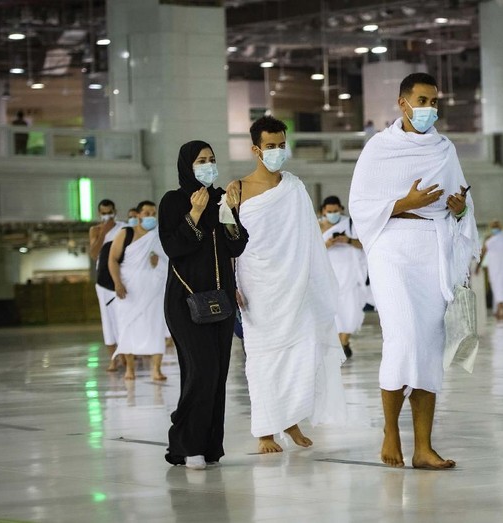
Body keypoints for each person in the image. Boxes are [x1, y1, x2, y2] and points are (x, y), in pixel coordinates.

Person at [349, 72, 479, 469]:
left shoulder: (444, 148)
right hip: (392, 247)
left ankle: (423, 448)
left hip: (433, 249)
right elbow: (361, 206)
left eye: (434, 102)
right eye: (422, 100)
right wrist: (405, 201)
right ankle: (391, 431)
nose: (429, 109)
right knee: (403, 340)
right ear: (402, 103)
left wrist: (459, 209)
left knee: (427, 348)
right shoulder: (379, 148)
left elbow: (462, 200)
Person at [228, 116, 347, 454]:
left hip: (295, 283)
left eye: (282, 145)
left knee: (301, 351)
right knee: (263, 357)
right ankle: (265, 431)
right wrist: (231, 284)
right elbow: (227, 242)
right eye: (271, 146)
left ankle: (291, 418)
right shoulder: (236, 191)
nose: (278, 151)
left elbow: (308, 239)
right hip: (257, 285)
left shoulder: (293, 187)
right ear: (255, 149)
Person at [159, 140, 248, 470]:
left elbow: (236, 247)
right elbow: (174, 247)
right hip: (184, 303)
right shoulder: (173, 201)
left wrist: (230, 214)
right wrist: (194, 214)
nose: (208, 165)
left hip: (220, 301)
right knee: (202, 370)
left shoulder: (221, 199)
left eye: (212, 160)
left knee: (217, 374)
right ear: (187, 165)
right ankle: (186, 442)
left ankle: (208, 446)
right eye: (201, 160)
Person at [108, 200, 168, 381]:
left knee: (155, 327)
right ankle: (130, 370)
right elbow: (112, 259)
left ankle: (156, 370)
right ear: (139, 214)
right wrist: (117, 283)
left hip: (153, 290)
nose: (150, 216)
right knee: (127, 327)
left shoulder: (159, 236)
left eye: (153, 213)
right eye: (146, 213)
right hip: (128, 289)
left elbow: (169, 260)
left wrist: (159, 262)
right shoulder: (126, 233)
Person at [320, 195, 366, 358]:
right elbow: (311, 252)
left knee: (350, 311)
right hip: (328, 275)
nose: (333, 213)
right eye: (329, 211)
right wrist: (328, 244)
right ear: (324, 211)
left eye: (335, 210)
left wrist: (347, 240)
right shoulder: (317, 227)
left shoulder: (351, 225)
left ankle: (344, 341)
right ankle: (337, 345)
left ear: (341, 209)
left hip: (350, 275)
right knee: (333, 312)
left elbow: (364, 244)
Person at [88, 199, 126, 371]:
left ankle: (127, 355)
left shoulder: (123, 228)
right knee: (108, 321)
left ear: (115, 211)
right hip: (103, 280)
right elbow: (94, 254)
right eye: (103, 213)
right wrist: (103, 233)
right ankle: (113, 358)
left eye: (109, 212)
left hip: (121, 277)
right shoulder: (95, 230)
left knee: (122, 319)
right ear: (99, 214)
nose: (107, 215)